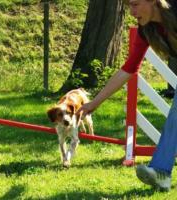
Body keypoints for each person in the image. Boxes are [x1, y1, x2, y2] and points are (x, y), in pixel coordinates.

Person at [77, 0, 177, 191]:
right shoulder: (146, 30)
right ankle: (161, 173)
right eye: (129, 6)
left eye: (135, 4)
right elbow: (128, 70)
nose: (132, 12)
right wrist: (94, 103)